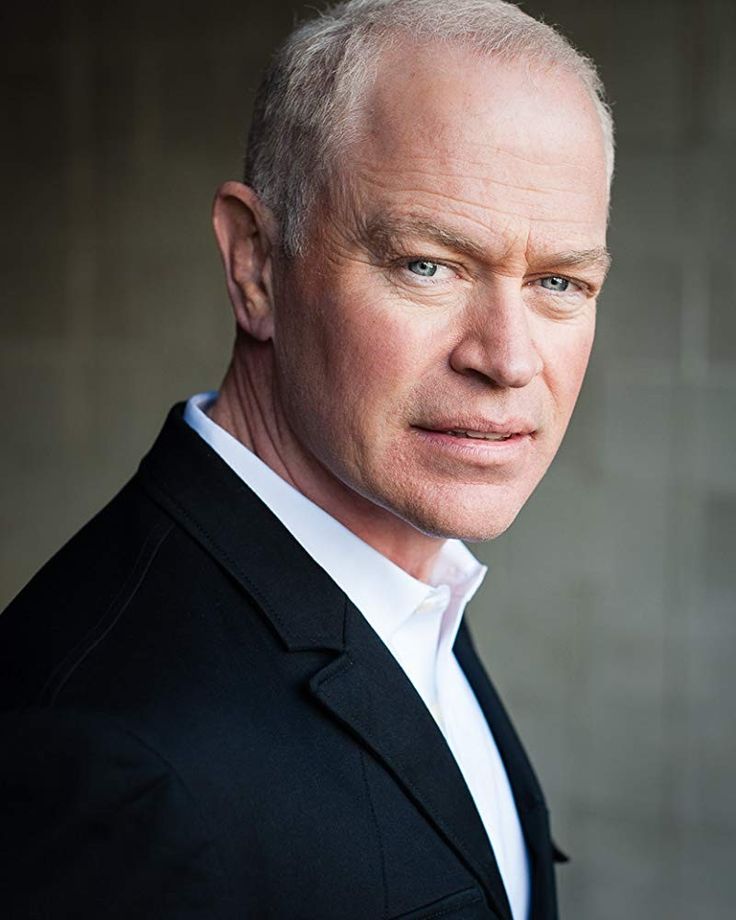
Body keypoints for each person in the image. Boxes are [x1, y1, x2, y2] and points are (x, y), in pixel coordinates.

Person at [0, 0, 613, 917]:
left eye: (558, 282)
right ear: (255, 265)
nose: (510, 360)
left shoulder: (407, 575)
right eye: (427, 265)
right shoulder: (111, 757)